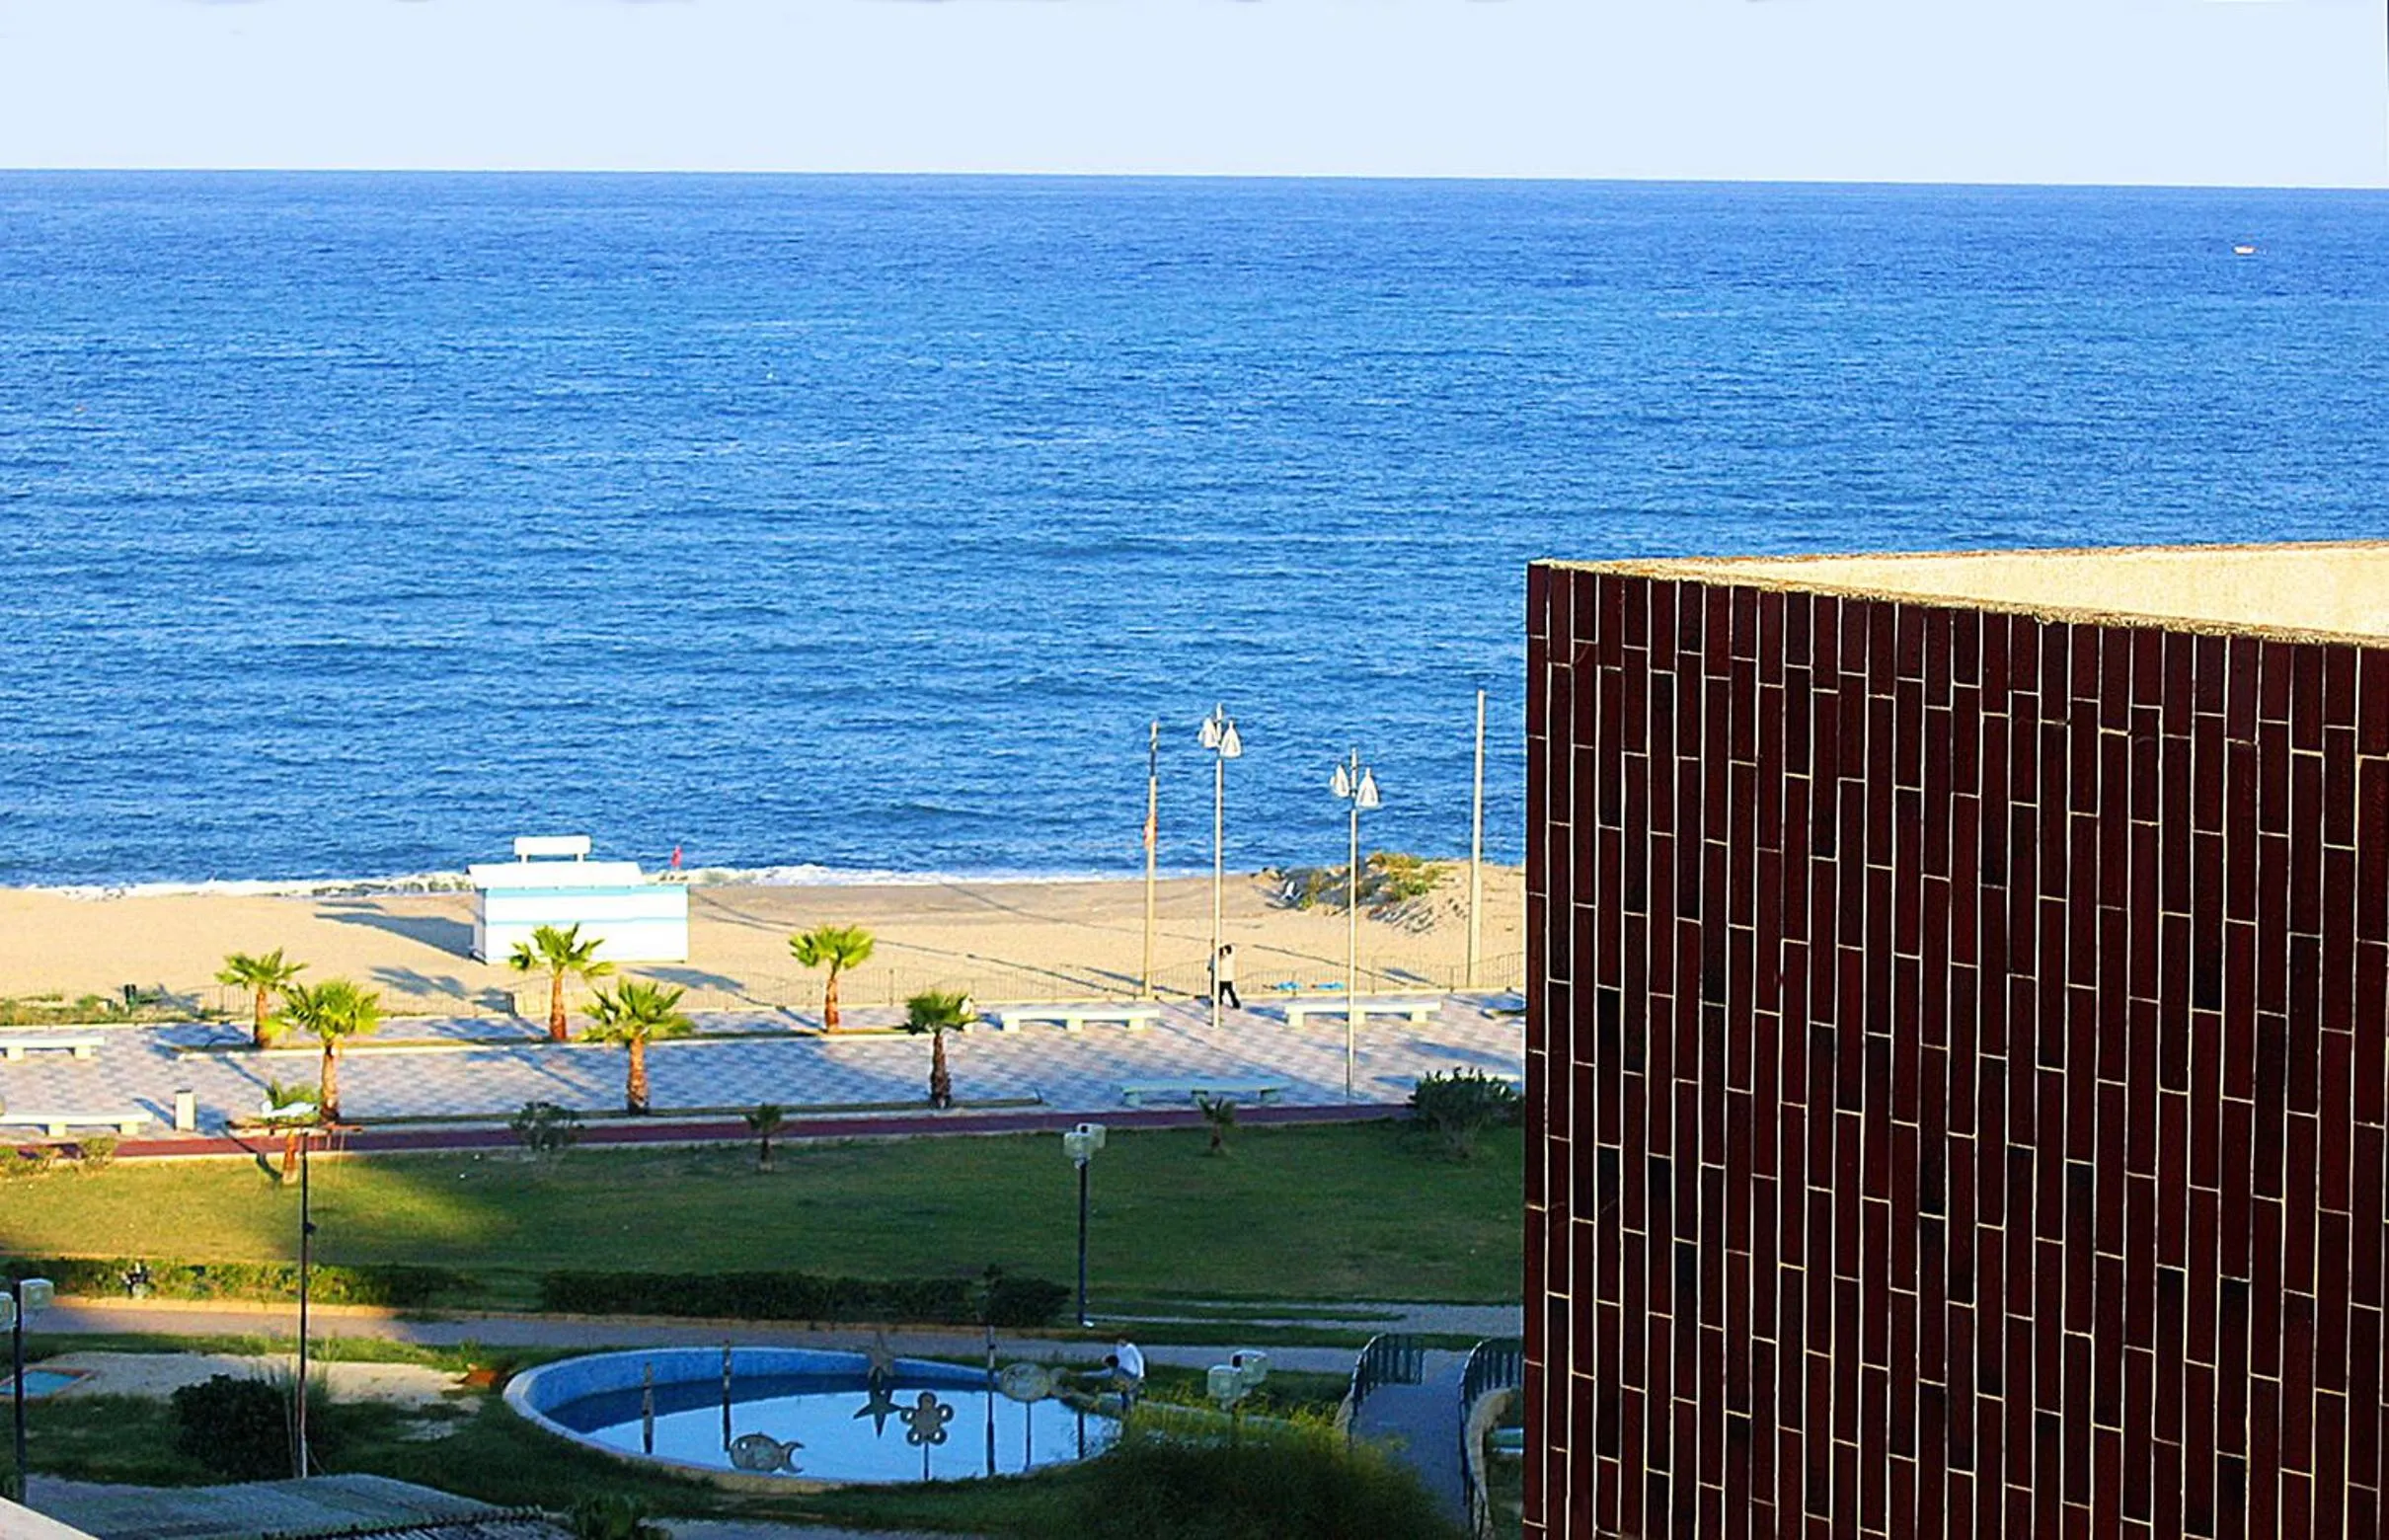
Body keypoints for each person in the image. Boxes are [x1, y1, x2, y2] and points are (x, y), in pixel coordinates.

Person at [1113, 1338, 1145, 1411]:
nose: (1120, 1342)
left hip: (1131, 1373)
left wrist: (1141, 1374)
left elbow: (1139, 1360)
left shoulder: (1131, 1348)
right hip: (1122, 1372)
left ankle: (1131, 1406)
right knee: (1123, 1390)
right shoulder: (1118, 1348)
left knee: (1131, 1390)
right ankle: (1125, 1406)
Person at [1211, 944, 1242, 1010]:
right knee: (1230, 992)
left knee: (1220, 992)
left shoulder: (1220, 959)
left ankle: (1219, 1001)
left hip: (1221, 978)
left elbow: (1215, 965)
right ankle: (1236, 1003)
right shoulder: (1230, 957)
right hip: (1229, 978)